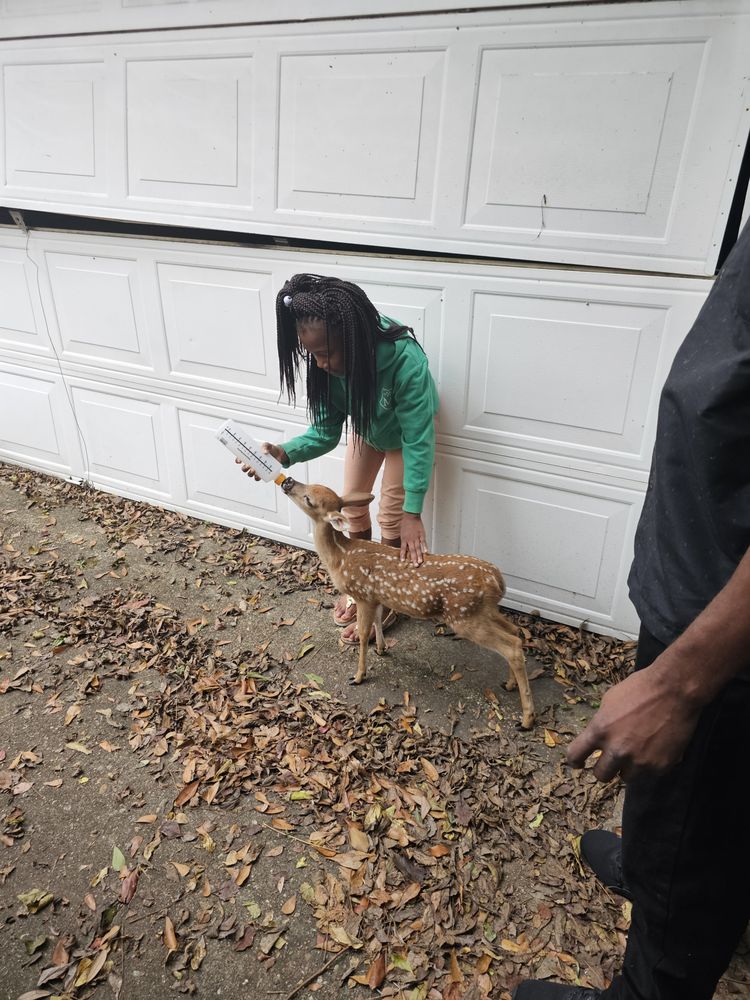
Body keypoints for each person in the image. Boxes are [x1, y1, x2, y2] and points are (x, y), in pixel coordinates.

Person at [514, 221, 750, 1000]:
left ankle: (660, 946)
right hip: (699, 581)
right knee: (695, 816)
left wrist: (683, 681)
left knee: (699, 830)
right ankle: (659, 864)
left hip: (725, 634)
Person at [240, 273, 439, 644]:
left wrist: (414, 513)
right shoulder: (327, 368)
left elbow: (418, 440)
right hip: (369, 429)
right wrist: (283, 453)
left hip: (404, 438)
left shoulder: (405, 361)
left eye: (326, 353)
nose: (320, 363)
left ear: (354, 340)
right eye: (310, 354)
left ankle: (385, 599)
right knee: (351, 504)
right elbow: (325, 432)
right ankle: (360, 583)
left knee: (392, 516)